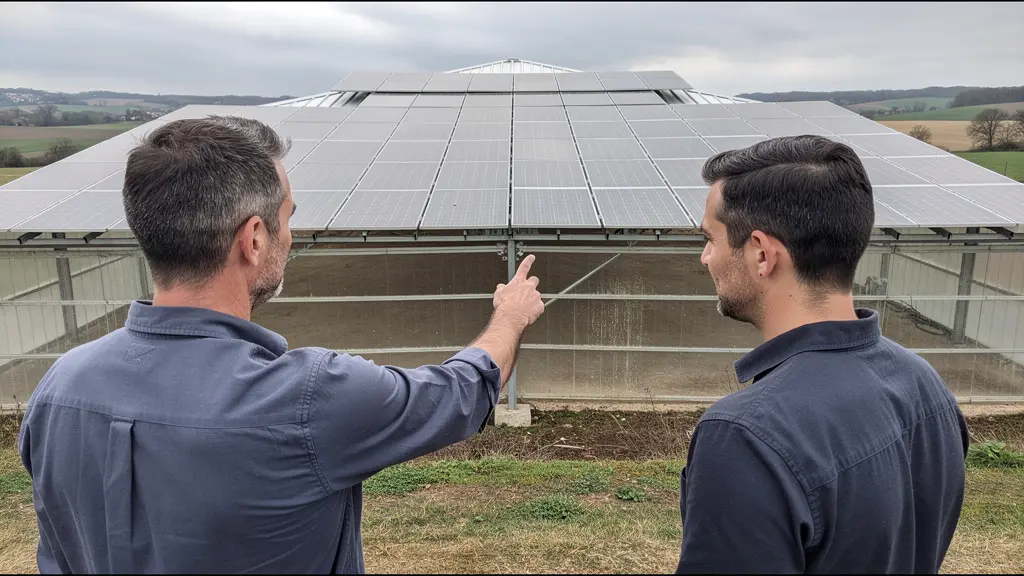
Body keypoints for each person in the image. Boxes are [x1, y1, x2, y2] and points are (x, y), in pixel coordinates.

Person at [17, 116, 545, 574]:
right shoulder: (307, 398)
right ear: (253, 239)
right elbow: (460, 390)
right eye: (287, 217)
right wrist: (510, 315)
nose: (290, 234)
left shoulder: (60, 387)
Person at [677, 135, 970, 574]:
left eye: (710, 239)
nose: (705, 258)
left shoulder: (746, 435)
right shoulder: (924, 384)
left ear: (762, 254)